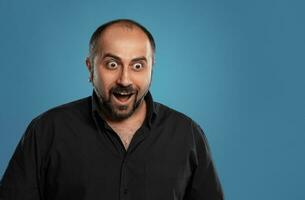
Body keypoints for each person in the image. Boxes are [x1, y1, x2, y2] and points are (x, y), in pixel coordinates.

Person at [0, 19, 224, 200]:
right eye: (112, 64)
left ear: (151, 69)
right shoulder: (47, 130)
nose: (124, 79)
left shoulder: (187, 134)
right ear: (90, 68)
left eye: (137, 65)